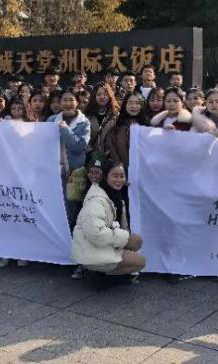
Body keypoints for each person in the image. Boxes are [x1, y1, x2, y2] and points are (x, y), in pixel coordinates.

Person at [72, 160, 145, 288]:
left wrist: (121, 238)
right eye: (115, 176)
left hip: (104, 241)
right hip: (91, 248)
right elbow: (96, 234)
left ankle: (107, 271)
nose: (119, 180)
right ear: (106, 177)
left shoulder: (115, 195)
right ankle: (98, 276)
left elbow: (121, 226)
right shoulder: (96, 201)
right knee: (140, 262)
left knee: (137, 241)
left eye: (122, 176)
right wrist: (120, 238)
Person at [48, 87, 91, 229]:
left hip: (74, 174)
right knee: (56, 209)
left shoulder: (84, 122)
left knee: (73, 211)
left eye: (71, 100)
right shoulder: (51, 120)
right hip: (54, 173)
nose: (67, 103)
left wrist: (65, 129)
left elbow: (79, 147)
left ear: (77, 102)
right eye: (64, 100)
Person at [67, 152, 107, 280]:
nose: (94, 176)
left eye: (98, 173)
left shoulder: (108, 188)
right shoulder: (84, 186)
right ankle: (82, 265)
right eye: (91, 172)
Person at [100, 92, 148, 171]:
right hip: (120, 172)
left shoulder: (147, 126)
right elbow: (111, 148)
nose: (134, 106)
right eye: (130, 103)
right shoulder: (115, 125)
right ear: (125, 105)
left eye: (137, 103)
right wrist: (119, 165)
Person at [85, 82, 120, 153]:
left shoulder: (116, 115)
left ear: (110, 96)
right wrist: (90, 152)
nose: (102, 97)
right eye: (98, 94)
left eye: (105, 94)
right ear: (94, 96)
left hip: (111, 155)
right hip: (92, 155)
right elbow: (83, 139)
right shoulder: (86, 116)